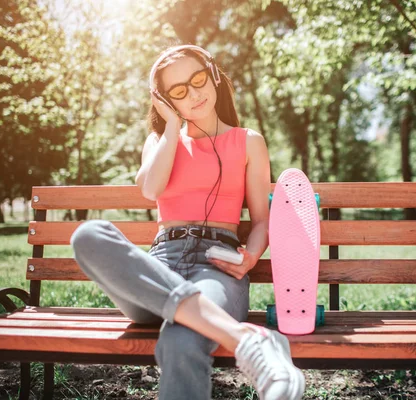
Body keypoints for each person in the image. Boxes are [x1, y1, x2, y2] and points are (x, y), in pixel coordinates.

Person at [70, 45, 305, 400]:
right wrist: (172, 128)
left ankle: (227, 331)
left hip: (217, 268)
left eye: (197, 79)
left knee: (182, 337)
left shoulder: (248, 142)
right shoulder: (159, 141)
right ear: (165, 100)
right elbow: (150, 189)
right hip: (160, 265)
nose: (194, 93)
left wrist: (251, 256)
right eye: (178, 90)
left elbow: (261, 221)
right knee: (88, 235)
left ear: (212, 74)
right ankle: (250, 342)